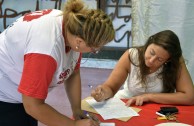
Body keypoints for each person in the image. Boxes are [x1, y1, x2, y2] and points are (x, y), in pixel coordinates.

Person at [0, 0, 115, 126]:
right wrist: (74, 125)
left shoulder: (74, 27)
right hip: (4, 92)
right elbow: (32, 106)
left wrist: (76, 110)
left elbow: (73, 73)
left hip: (19, 85)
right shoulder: (45, 50)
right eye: (94, 49)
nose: (95, 51)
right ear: (79, 42)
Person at [91, 30, 194, 107]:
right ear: (148, 44)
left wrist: (149, 97)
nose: (151, 60)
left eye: (160, 59)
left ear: (167, 61)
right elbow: (111, 87)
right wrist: (102, 93)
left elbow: (189, 97)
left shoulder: (176, 62)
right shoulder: (132, 55)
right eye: (151, 52)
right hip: (127, 104)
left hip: (156, 109)